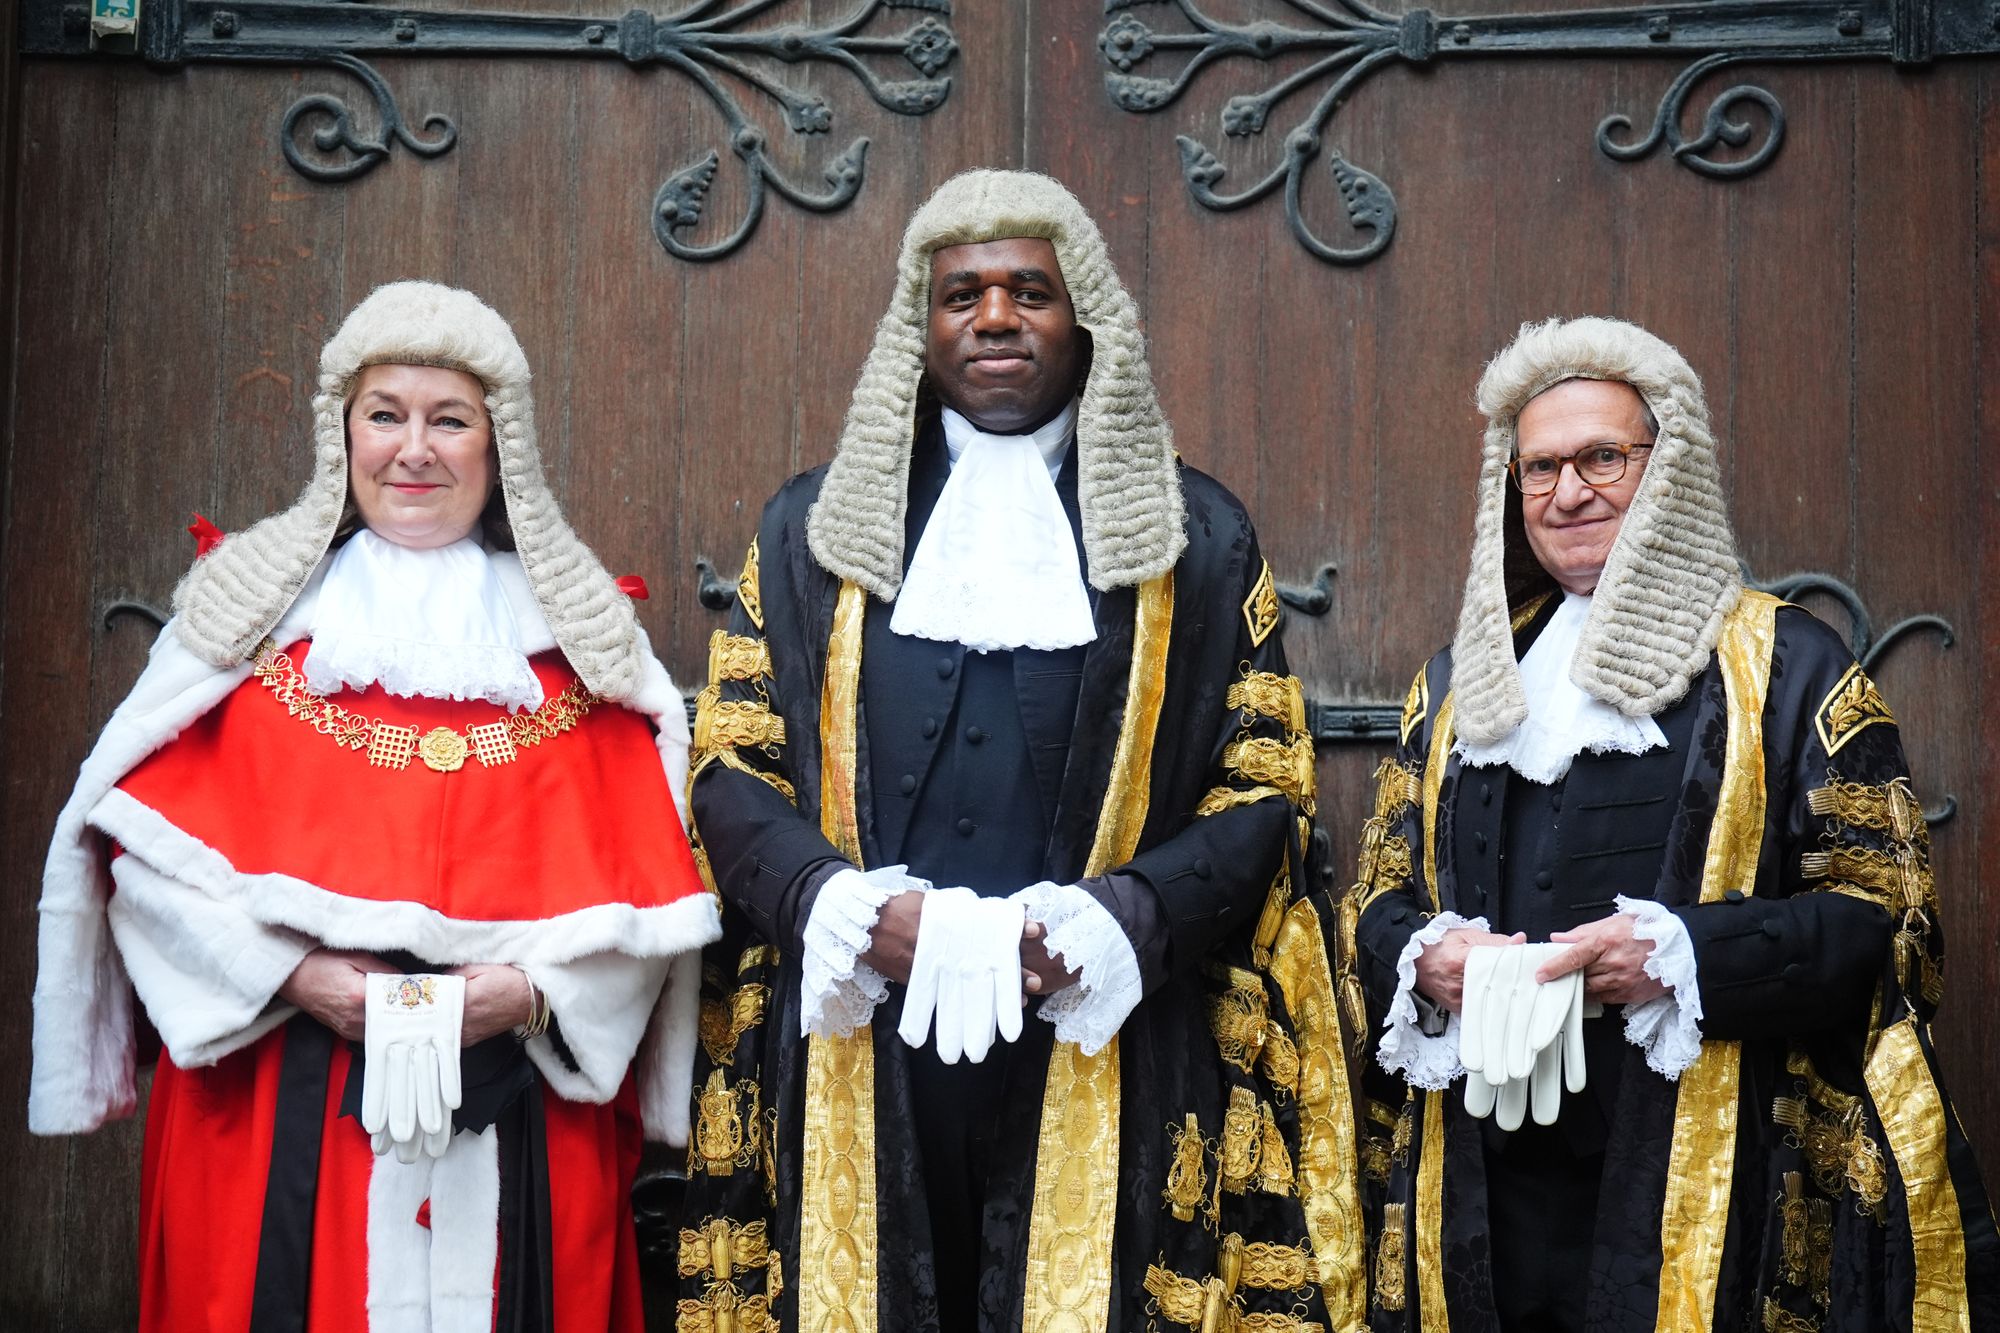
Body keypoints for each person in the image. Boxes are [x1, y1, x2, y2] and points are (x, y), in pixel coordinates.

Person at [674, 169, 1364, 1332]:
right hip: (861, 1023)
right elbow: (731, 762)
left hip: (1105, 1025)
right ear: (921, 324)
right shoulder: (809, 530)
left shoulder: (1194, 536)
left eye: (1028, 290)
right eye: (962, 294)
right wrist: (834, 904)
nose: (994, 317)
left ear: (1081, 315)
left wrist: (1118, 919)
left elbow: (1263, 784)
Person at [28, 281, 720, 1332]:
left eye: (450, 420)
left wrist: (527, 996)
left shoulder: (579, 658)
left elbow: (647, 905)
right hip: (275, 1099)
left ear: (501, 454)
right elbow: (140, 866)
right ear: (341, 436)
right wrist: (296, 978)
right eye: (384, 415)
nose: (414, 450)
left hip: (516, 1102)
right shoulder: (242, 634)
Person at [1342, 315, 1999, 1330]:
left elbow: (1882, 919)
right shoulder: (1454, 687)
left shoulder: (1787, 665)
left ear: (1669, 469)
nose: (1566, 492)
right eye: (1539, 468)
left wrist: (1679, 957)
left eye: (1601, 457)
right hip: (1483, 1174)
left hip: (1705, 1164)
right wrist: (1426, 960)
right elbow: (1376, 895)